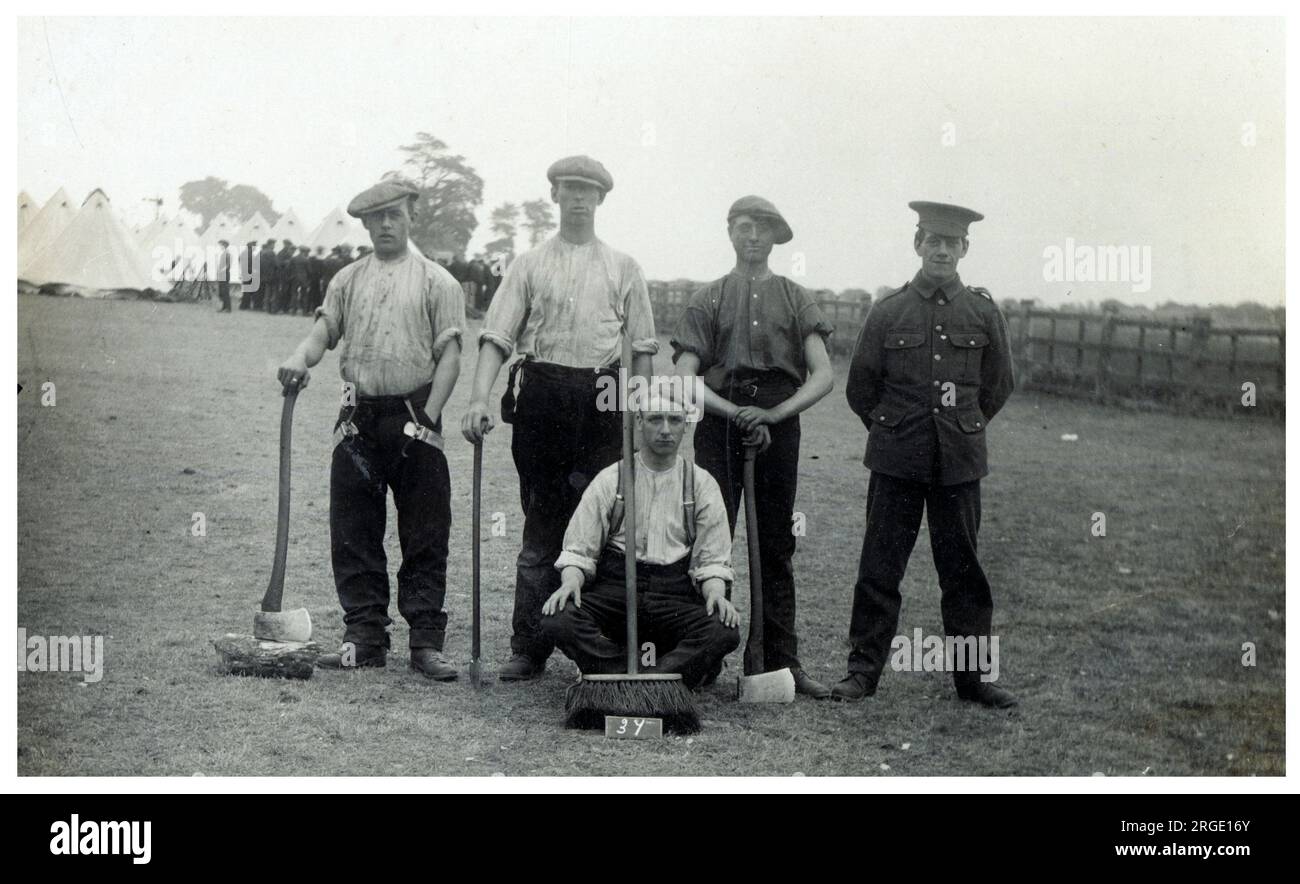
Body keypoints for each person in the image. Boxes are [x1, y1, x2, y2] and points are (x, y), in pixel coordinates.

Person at [460, 155, 657, 683]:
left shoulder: (623, 267)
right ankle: (529, 646)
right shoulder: (528, 264)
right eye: (570, 188)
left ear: (601, 199)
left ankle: (597, 647)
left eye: (588, 191)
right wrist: (478, 399)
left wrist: (640, 413)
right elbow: (497, 337)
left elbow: (641, 349)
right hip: (542, 396)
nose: (578, 198)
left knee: (603, 524)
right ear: (554, 195)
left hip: (602, 398)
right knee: (542, 526)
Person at [275, 178, 466, 679]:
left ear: (410, 217)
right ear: (364, 224)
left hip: (415, 416)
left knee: (425, 533)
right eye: (375, 218)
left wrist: (427, 420)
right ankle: (364, 637)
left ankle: (426, 642)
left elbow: (450, 357)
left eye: (394, 215)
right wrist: (299, 359)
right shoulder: (347, 279)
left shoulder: (438, 282)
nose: (385, 225)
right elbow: (323, 333)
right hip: (356, 420)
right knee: (353, 530)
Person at [831, 201, 1017, 708]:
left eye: (951, 242)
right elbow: (861, 387)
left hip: (959, 463)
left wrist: (963, 426)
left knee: (964, 572)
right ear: (917, 244)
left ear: (965, 249)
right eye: (932, 240)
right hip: (896, 460)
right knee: (879, 567)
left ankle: (973, 680)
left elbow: (998, 385)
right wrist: (893, 429)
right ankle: (862, 672)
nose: (941, 250)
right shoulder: (888, 310)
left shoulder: (983, 312)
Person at [671, 195, 836, 699]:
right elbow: (684, 376)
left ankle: (778, 661)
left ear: (775, 238)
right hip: (719, 422)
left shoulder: (795, 297)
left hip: (778, 423)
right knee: (708, 537)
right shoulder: (707, 298)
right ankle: (699, 658)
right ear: (730, 232)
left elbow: (824, 375)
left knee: (776, 543)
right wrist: (733, 411)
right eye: (744, 226)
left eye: (763, 228)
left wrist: (773, 415)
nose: (753, 236)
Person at [541, 384, 740, 689]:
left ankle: (645, 681)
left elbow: (711, 560)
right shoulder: (612, 478)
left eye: (675, 420)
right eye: (655, 419)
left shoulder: (701, 484)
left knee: (723, 629)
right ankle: (635, 674)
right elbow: (580, 551)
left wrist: (715, 593)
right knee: (558, 618)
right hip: (617, 589)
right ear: (638, 422)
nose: (665, 430)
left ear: (686, 426)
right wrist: (570, 582)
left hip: (673, 595)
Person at [258, 238, 278, 312]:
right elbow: (276, 264)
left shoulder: (262, 252)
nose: (274, 246)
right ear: (270, 244)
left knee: (267, 292)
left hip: (264, 275)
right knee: (274, 292)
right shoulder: (271, 253)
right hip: (272, 275)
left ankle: (266, 307)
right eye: (273, 244)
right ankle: (272, 308)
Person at [214, 239, 232, 313]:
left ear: (224, 246)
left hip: (225, 274)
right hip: (222, 274)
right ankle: (224, 307)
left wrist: (222, 270)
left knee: (225, 291)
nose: (219, 246)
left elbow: (228, 265)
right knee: (222, 291)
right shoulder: (223, 253)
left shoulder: (227, 253)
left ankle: (228, 308)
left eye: (220, 245)